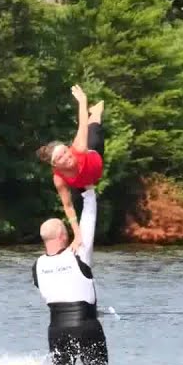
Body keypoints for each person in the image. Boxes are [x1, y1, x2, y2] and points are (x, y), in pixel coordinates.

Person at [31, 187, 110, 365]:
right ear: (62, 235)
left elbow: (57, 295)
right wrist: (89, 192)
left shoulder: (37, 266)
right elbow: (88, 220)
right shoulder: (79, 253)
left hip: (56, 331)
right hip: (85, 326)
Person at [37, 85, 105, 252]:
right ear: (55, 165)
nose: (67, 158)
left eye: (65, 152)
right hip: (82, 183)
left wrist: (83, 101)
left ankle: (96, 110)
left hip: (93, 157)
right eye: (60, 158)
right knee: (78, 202)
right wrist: (77, 234)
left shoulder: (78, 149)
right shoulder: (59, 178)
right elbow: (67, 207)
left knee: (92, 127)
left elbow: (82, 125)